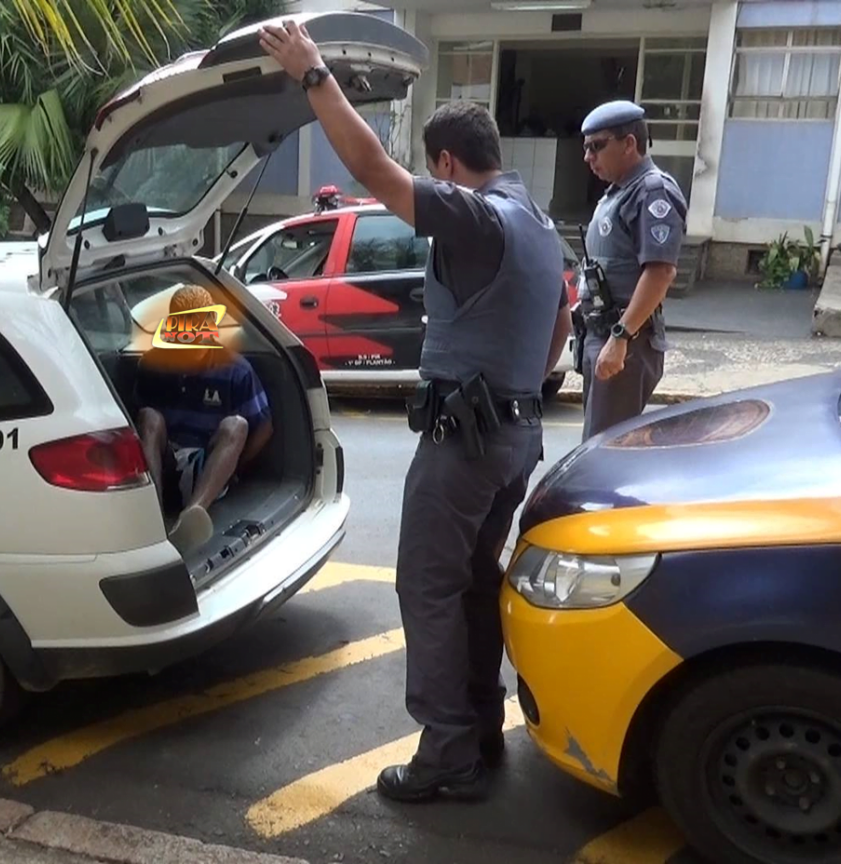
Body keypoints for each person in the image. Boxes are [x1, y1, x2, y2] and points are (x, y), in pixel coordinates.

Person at [260, 20, 569, 803]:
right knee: (472, 583)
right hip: (516, 437)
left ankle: (447, 757)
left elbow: (371, 167)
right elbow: (561, 323)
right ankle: (480, 725)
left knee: (427, 588)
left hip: (465, 445)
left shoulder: (475, 215)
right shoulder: (536, 222)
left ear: (446, 164)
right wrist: (514, 389)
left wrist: (313, 73)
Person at [573, 100, 688, 440]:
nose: (588, 157)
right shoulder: (618, 193)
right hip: (603, 334)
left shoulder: (652, 191)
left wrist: (620, 337)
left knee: (604, 451)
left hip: (625, 340)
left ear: (629, 144)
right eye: (586, 148)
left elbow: (660, 272)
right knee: (598, 446)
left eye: (597, 146)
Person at [132, 284, 273, 553]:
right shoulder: (153, 364)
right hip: (165, 460)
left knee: (237, 425)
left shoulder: (236, 370)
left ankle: (193, 515)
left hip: (207, 464)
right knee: (148, 417)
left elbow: (264, 427)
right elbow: (139, 425)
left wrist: (234, 469)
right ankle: (154, 514)